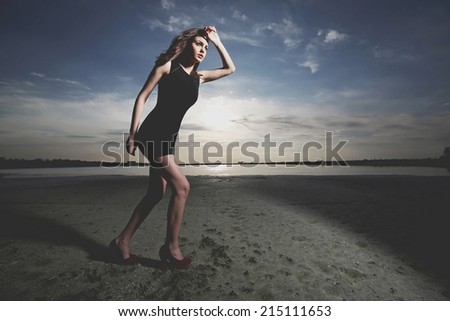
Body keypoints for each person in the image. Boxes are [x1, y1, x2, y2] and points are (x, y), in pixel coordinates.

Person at [109, 26, 235, 269]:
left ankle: (121, 242)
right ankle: (171, 248)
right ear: (187, 44)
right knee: (183, 186)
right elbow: (142, 96)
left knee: (156, 193)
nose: (203, 50)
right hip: (152, 134)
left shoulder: (199, 77)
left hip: (168, 139)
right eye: (199, 44)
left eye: (206, 47)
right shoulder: (168, 67)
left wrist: (217, 41)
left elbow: (230, 69)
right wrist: (133, 133)